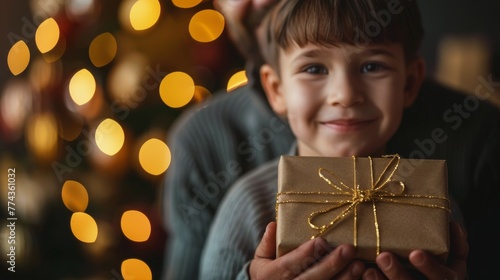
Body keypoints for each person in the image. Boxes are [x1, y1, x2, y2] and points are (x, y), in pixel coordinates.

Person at [163, 0, 500, 279]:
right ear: (276, 90)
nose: (345, 95)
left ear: (410, 83)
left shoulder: (437, 201)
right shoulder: (248, 203)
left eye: (371, 67)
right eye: (314, 69)